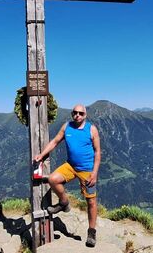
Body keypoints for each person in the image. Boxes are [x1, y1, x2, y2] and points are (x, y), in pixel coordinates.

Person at [33, 104, 102, 248]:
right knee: (53, 179)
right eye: (75, 113)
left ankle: (92, 232)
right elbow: (55, 142)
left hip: (87, 170)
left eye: (81, 113)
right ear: (72, 114)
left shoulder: (91, 129)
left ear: (85, 115)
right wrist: (41, 155)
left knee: (91, 202)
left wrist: (94, 173)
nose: (77, 115)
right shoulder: (67, 127)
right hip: (70, 166)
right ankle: (64, 203)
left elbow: (97, 152)